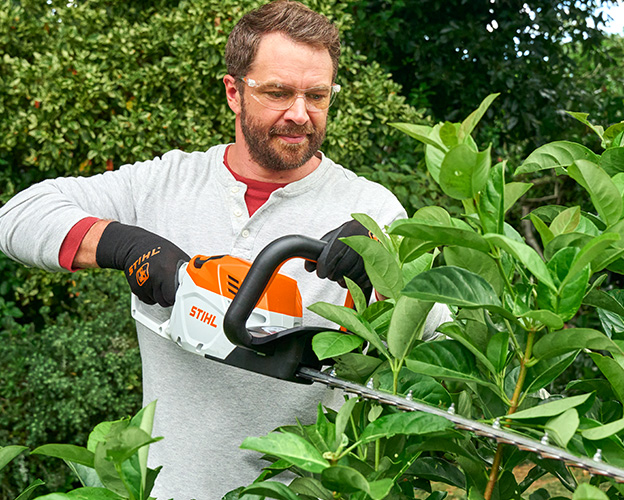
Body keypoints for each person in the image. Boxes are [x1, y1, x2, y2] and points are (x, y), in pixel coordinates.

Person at [0, 2, 443, 498]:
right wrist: (124, 244)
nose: (300, 114)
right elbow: (17, 216)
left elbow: (438, 331)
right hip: (171, 487)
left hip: (310, 488)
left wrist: (389, 271)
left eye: (317, 96)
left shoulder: (370, 207)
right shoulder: (163, 183)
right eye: (278, 92)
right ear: (234, 91)